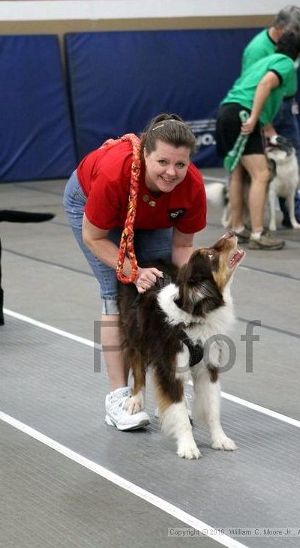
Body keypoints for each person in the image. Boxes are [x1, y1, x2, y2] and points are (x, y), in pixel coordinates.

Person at [63, 114, 207, 430]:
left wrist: (184, 289)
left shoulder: (192, 187)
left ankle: (170, 391)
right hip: (96, 211)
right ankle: (119, 397)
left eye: (180, 164)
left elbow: (183, 246)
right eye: (163, 162)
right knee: (117, 294)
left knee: (161, 295)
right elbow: (94, 237)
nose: (171, 172)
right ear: (144, 154)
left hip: (152, 217)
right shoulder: (116, 174)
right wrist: (132, 269)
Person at [215, 31, 300, 250]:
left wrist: (262, 124)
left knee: (238, 173)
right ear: (298, 53)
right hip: (243, 115)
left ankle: (237, 227)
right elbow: (265, 85)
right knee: (261, 174)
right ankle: (257, 233)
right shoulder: (285, 63)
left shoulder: (264, 60)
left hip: (227, 112)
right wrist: (254, 118)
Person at [240, 5, 300, 229]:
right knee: (263, 165)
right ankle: (258, 218)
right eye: (295, 32)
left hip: (287, 103)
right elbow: (257, 86)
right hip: (266, 107)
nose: (298, 37)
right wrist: (265, 122)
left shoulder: (292, 43)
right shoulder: (257, 49)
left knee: (294, 155)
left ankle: (294, 213)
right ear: (280, 27)